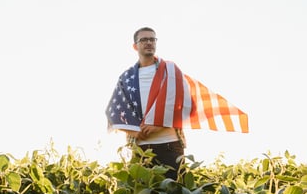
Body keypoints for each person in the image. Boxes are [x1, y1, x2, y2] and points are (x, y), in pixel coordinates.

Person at [106, 27, 249, 180]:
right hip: (140, 149)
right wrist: (135, 131)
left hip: (170, 145)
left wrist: (160, 125)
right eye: (144, 40)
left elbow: (187, 105)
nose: (149, 43)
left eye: (152, 39)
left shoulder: (171, 71)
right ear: (135, 46)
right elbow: (115, 113)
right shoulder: (126, 77)